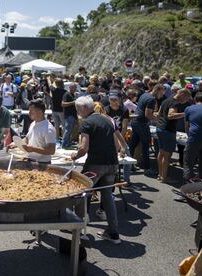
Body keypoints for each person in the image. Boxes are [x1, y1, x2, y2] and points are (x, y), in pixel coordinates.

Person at [71, 96, 121, 244]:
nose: (78, 112)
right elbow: (117, 146)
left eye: (78, 109)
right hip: (112, 163)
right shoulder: (107, 119)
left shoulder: (87, 123)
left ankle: (77, 227)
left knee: (82, 193)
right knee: (107, 197)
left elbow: (83, 148)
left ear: (85, 108)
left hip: (95, 164)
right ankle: (113, 233)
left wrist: (75, 155)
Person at [155, 89, 191, 183]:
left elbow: (158, 114)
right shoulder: (174, 103)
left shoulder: (166, 100)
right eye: (186, 98)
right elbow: (170, 115)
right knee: (167, 155)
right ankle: (164, 177)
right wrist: (185, 113)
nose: (186, 101)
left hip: (160, 128)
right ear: (182, 94)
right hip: (168, 130)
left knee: (161, 152)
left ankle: (160, 174)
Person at [129, 84, 165, 176]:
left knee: (133, 144)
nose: (162, 95)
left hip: (136, 121)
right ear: (157, 90)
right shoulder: (151, 99)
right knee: (145, 145)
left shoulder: (145, 94)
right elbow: (148, 115)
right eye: (161, 93)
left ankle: (128, 165)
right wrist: (158, 120)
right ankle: (146, 168)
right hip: (141, 123)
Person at [183, 92, 202, 182]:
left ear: (195, 99)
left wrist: (189, 136)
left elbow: (187, 126)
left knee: (188, 162)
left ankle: (188, 183)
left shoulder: (189, 108)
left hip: (194, 138)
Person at [17, 99, 56, 163]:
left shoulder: (48, 129)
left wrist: (33, 149)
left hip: (42, 163)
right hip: (30, 160)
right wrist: (17, 143)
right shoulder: (33, 123)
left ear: (40, 112)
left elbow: (51, 150)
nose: (29, 113)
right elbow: (27, 138)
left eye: (31, 111)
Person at [61, 83, 78, 148]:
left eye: (76, 87)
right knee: (68, 130)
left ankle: (67, 143)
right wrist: (73, 102)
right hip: (68, 115)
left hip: (72, 115)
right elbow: (63, 104)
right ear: (70, 88)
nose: (75, 89)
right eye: (74, 87)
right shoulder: (67, 94)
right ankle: (64, 144)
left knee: (70, 130)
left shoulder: (73, 95)